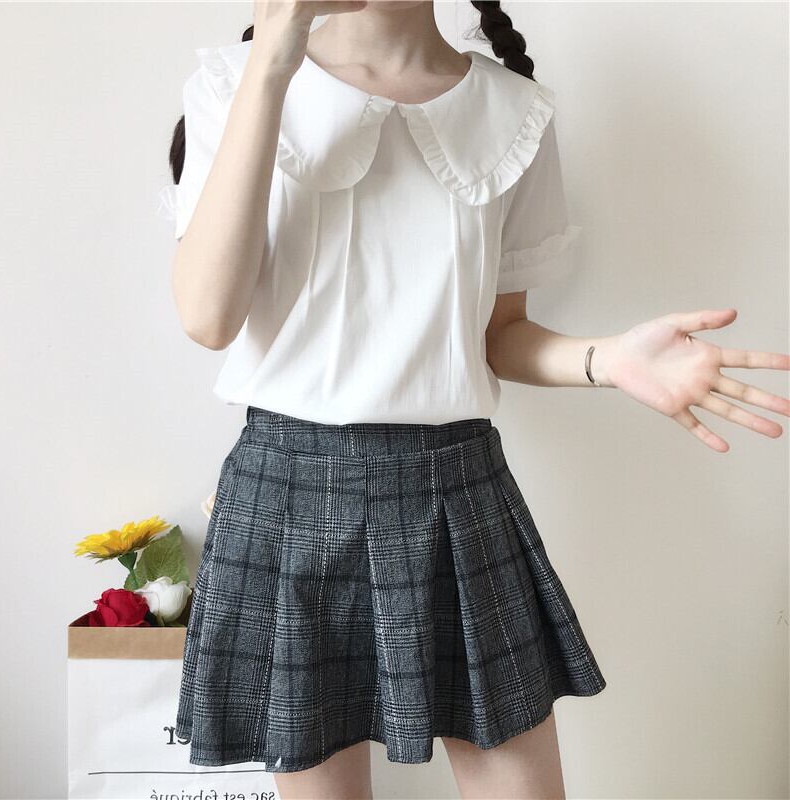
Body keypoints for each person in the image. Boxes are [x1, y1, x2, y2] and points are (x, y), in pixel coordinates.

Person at [157, 2, 790, 798]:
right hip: (287, 493)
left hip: (454, 493)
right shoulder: (233, 82)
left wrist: (609, 359)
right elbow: (208, 317)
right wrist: (274, 60)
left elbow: (500, 334)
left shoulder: (513, 112)